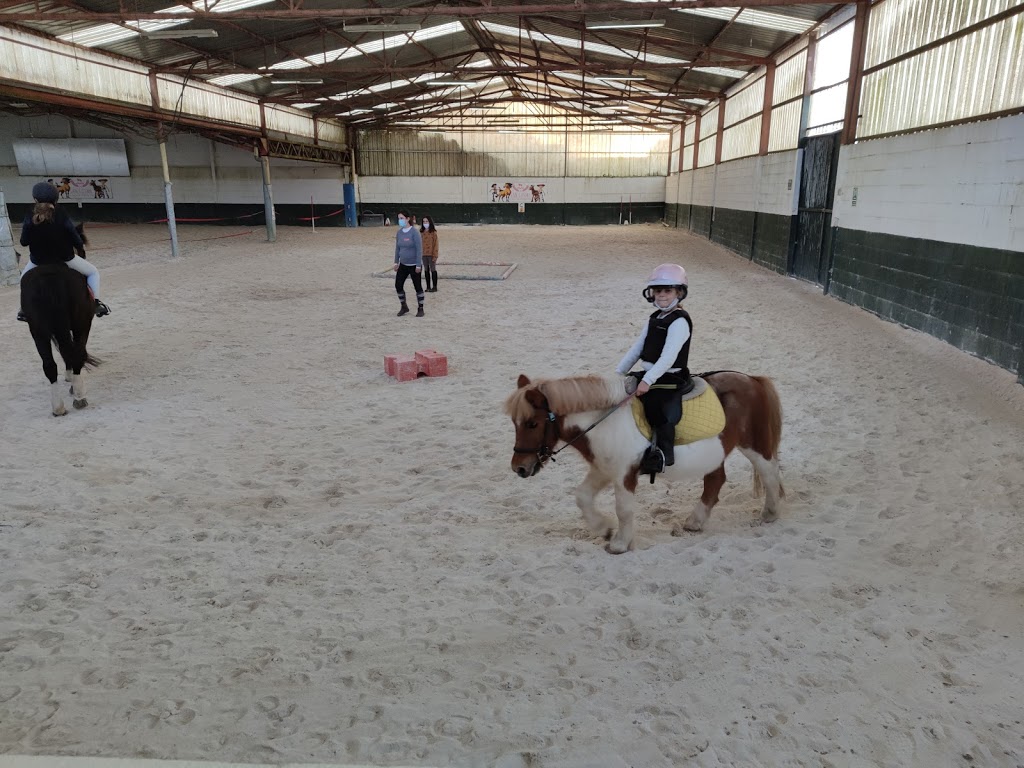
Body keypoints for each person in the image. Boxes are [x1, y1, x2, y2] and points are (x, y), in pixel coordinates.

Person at [615, 263, 693, 476]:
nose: (662, 295)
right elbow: (637, 348)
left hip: (669, 377)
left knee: (658, 410)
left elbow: (668, 357)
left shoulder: (679, 322)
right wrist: (618, 373)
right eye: (658, 290)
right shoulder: (655, 318)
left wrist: (648, 381)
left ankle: (662, 453)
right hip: (650, 373)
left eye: (667, 290)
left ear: (679, 292)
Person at [17, 181, 110, 322]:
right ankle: (97, 303)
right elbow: (75, 237)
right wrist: (77, 243)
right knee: (93, 272)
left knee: (23, 280)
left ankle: (24, 310)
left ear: (35, 199)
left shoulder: (29, 214)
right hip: (66, 259)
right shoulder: (61, 212)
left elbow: (23, 241)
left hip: (38, 261)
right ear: (56, 198)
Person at [392, 210, 425, 317]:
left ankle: (420, 308)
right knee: (398, 285)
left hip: (414, 265)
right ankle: (404, 306)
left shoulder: (414, 232)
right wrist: (396, 262)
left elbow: (419, 249)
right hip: (403, 264)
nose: (400, 220)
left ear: (407, 219)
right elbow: (397, 248)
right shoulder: (399, 233)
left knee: (417, 287)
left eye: (401, 218)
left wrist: (418, 264)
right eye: (399, 218)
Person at [420, 215, 439, 292]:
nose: (425, 223)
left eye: (426, 221)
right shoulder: (421, 233)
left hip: (431, 254)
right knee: (426, 270)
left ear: (430, 222)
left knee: (433, 269)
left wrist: (435, 255)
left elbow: (436, 245)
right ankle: (428, 286)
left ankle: (434, 287)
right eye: (424, 222)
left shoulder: (433, 233)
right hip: (423, 254)